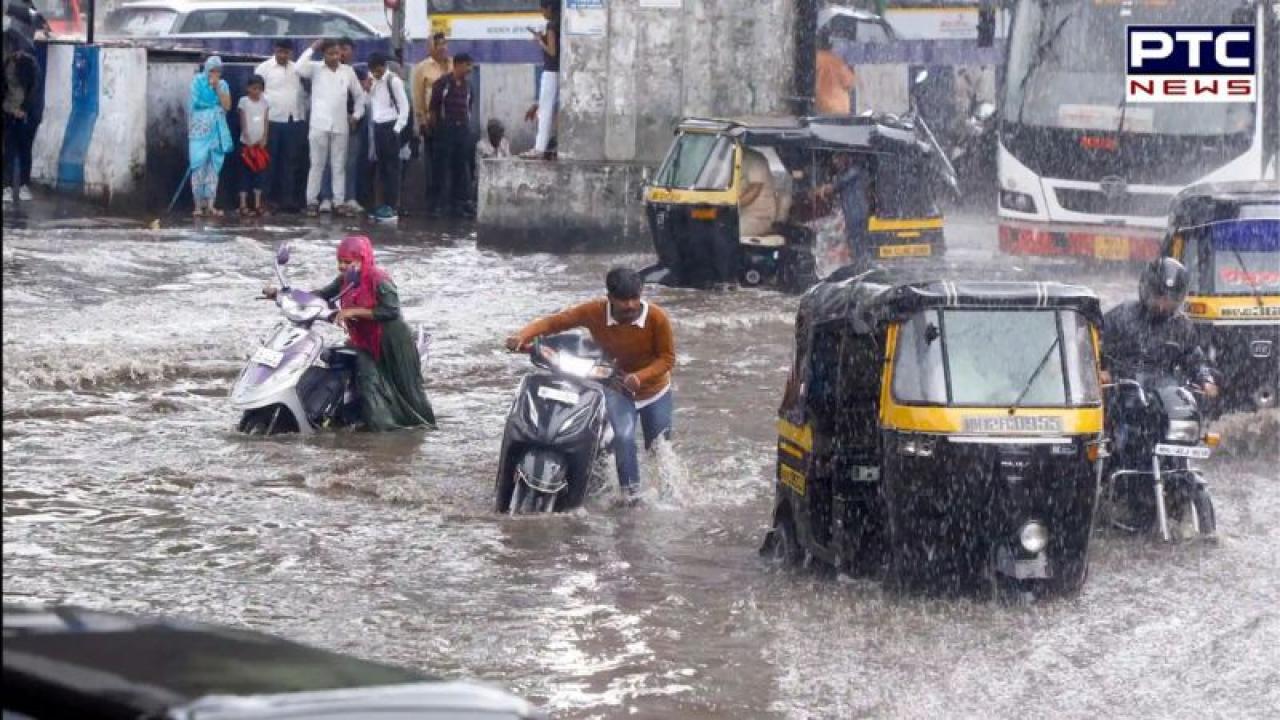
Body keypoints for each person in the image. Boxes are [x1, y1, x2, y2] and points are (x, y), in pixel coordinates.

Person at [505, 268, 676, 502]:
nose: (630, 305)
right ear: (610, 297)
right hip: (619, 387)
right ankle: (631, 495)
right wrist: (522, 336)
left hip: (654, 391)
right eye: (623, 300)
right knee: (624, 437)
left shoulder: (657, 318)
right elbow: (555, 322)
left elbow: (667, 358)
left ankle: (668, 494)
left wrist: (640, 377)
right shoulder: (594, 312)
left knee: (657, 447)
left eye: (635, 298)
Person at [264, 235, 436, 431]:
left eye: (348, 262)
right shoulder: (346, 279)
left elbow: (391, 311)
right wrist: (282, 295)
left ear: (363, 259)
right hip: (364, 340)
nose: (343, 266)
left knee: (375, 383)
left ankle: (389, 429)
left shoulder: (379, 280)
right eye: (340, 261)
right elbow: (320, 295)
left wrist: (352, 311)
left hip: (390, 341)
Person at [1100, 258, 1220, 395]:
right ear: (1146, 290)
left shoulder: (1181, 326)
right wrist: (1101, 372)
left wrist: (1205, 380)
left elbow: (1194, 358)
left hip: (1165, 395)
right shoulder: (1120, 316)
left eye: (1170, 300)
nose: (1162, 305)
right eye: (1159, 297)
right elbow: (1093, 348)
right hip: (1122, 393)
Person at [297, 38, 365, 217]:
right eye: (331, 53)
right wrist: (312, 47)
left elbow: (359, 97)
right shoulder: (315, 69)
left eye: (337, 53)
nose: (335, 57)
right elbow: (298, 68)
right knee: (317, 165)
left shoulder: (348, 71)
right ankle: (312, 201)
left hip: (340, 125)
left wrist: (356, 116)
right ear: (323, 54)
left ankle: (338, 202)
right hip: (319, 125)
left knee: (338, 166)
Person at [255, 39, 307, 212]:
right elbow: (257, 96)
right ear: (274, 50)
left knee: (290, 162)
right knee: (269, 162)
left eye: (286, 52)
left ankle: (288, 199)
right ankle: (266, 199)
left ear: (291, 53)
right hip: (271, 121)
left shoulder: (297, 69)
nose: (283, 55)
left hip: (293, 120)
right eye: (280, 52)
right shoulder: (264, 69)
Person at [427, 52, 475, 218]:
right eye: (467, 65)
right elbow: (433, 108)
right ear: (458, 65)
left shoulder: (468, 86)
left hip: (462, 131)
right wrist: (436, 129)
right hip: (445, 131)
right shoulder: (442, 84)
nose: (469, 69)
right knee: (440, 168)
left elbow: (469, 107)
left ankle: (457, 205)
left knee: (460, 168)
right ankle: (437, 205)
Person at [366, 52, 409, 221]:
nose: (375, 74)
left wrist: (397, 130)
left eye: (377, 71)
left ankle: (392, 206)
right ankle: (382, 205)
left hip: (391, 127)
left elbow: (404, 107)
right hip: (378, 126)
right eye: (372, 71)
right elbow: (371, 102)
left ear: (383, 67)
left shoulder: (394, 81)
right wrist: (369, 88)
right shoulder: (373, 81)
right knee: (382, 168)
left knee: (392, 170)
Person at [187, 56, 233, 218]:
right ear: (206, 69)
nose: (214, 74)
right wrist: (211, 107)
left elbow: (227, 106)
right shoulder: (197, 82)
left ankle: (211, 204)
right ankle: (198, 205)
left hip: (217, 131)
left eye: (217, 71)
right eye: (212, 70)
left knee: (214, 167)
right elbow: (194, 103)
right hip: (199, 131)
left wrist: (217, 88)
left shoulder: (223, 85)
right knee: (198, 166)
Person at [411, 33, 451, 211]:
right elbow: (418, 97)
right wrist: (422, 121)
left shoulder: (452, 65)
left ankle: (448, 201)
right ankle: (432, 203)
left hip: (452, 122)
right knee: (433, 165)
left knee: (451, 164)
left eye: (444, 44)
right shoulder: (422, 68)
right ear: (430, 47)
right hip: (432, 123)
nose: (442, 48)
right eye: (438, 45)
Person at [2, 26, 40, 204]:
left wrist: (23, 109)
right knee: (8, 151)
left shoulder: (29, 64)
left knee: (25, 150)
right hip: (8, 111)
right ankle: (7, 187)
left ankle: (24, 185)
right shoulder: (5, 64)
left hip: (24, 113)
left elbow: (33, 90)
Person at [520, 0, 560, 160]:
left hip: (550, 71)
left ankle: (539, 148)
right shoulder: (562, 22)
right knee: (551, 110)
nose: (542, 13)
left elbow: (551, 51)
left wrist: (539, 40)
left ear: (549, 8)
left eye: (542, 9)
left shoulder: (551, 25)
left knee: (544, 111)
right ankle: (546, 147)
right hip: (559, 71)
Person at [237, 74, 270, 216]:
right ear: (248, 88)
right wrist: (246, 136)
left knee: (260, 174)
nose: (256, 91)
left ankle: (257, 204)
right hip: (247, 144)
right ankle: (243, 204)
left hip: (260, 145)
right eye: (254, 88)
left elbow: (265, 120)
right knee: (245, 174)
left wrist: (264, 137)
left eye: (259, 89)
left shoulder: (265, 102)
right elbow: (243, 120)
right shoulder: (243, 102)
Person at [738, 148, 779, 237]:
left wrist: (730, 206)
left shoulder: (755, 160)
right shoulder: (727, 159)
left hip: (759, 217)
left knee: (730, 231)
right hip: (737, 214)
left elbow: (754, 189)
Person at [815, 29, 856, 115]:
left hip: (821, 106)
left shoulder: (815, 60)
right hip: (840, 107)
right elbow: (849, 83)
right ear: (830, 45)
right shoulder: (837, 61)